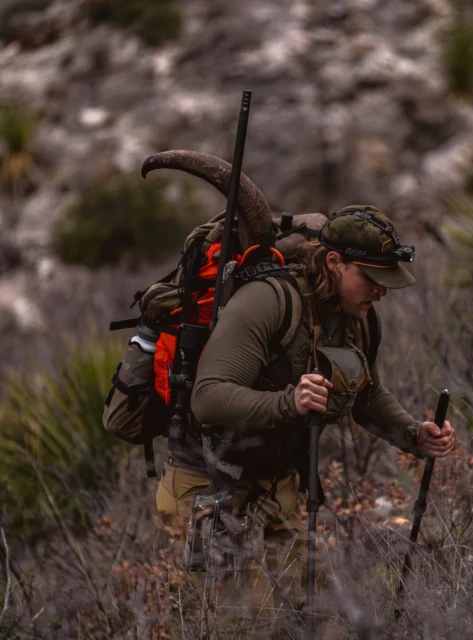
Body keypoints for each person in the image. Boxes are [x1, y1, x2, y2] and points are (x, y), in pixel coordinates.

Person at [155, 204, 456, 619]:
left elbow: (366, 393)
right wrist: (288, 402)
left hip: (280, 485)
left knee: (293, 615)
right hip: (212, 482)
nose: (381, 292)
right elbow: (207, 397)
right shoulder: (268, 302)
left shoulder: (359, 319)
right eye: (371, 278)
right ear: (335, 263)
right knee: (233, 622)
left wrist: (412, 434)